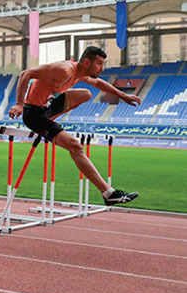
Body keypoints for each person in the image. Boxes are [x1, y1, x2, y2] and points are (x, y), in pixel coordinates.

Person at [8, 46, 141, 206]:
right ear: (86, 62)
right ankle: (108, 193)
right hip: (34, 114)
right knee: (75, 146)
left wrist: (123, 95)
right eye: (99, 64)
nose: (102, 68)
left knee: (85, 94)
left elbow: (99, 83)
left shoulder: (79, 74)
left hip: (47, 107)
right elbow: (26, 73)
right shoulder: (64, 70)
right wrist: (19, 104)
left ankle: (51, 121)